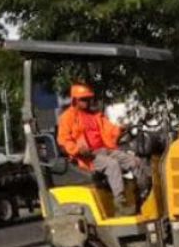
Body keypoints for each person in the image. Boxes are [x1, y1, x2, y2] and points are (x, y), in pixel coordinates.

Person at [57, 83, 150, 216]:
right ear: (74, 100)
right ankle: (120, 204)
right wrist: (78, 149)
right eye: (84, 99)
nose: (88, 102)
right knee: (112, 165)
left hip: (105, 150)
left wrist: (121, 129)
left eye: (89, 99)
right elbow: (63, 141)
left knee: (134, 161)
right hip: (87, 157)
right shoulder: (67, 118)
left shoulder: (96, 116)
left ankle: (144, 193)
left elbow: (110, 129)